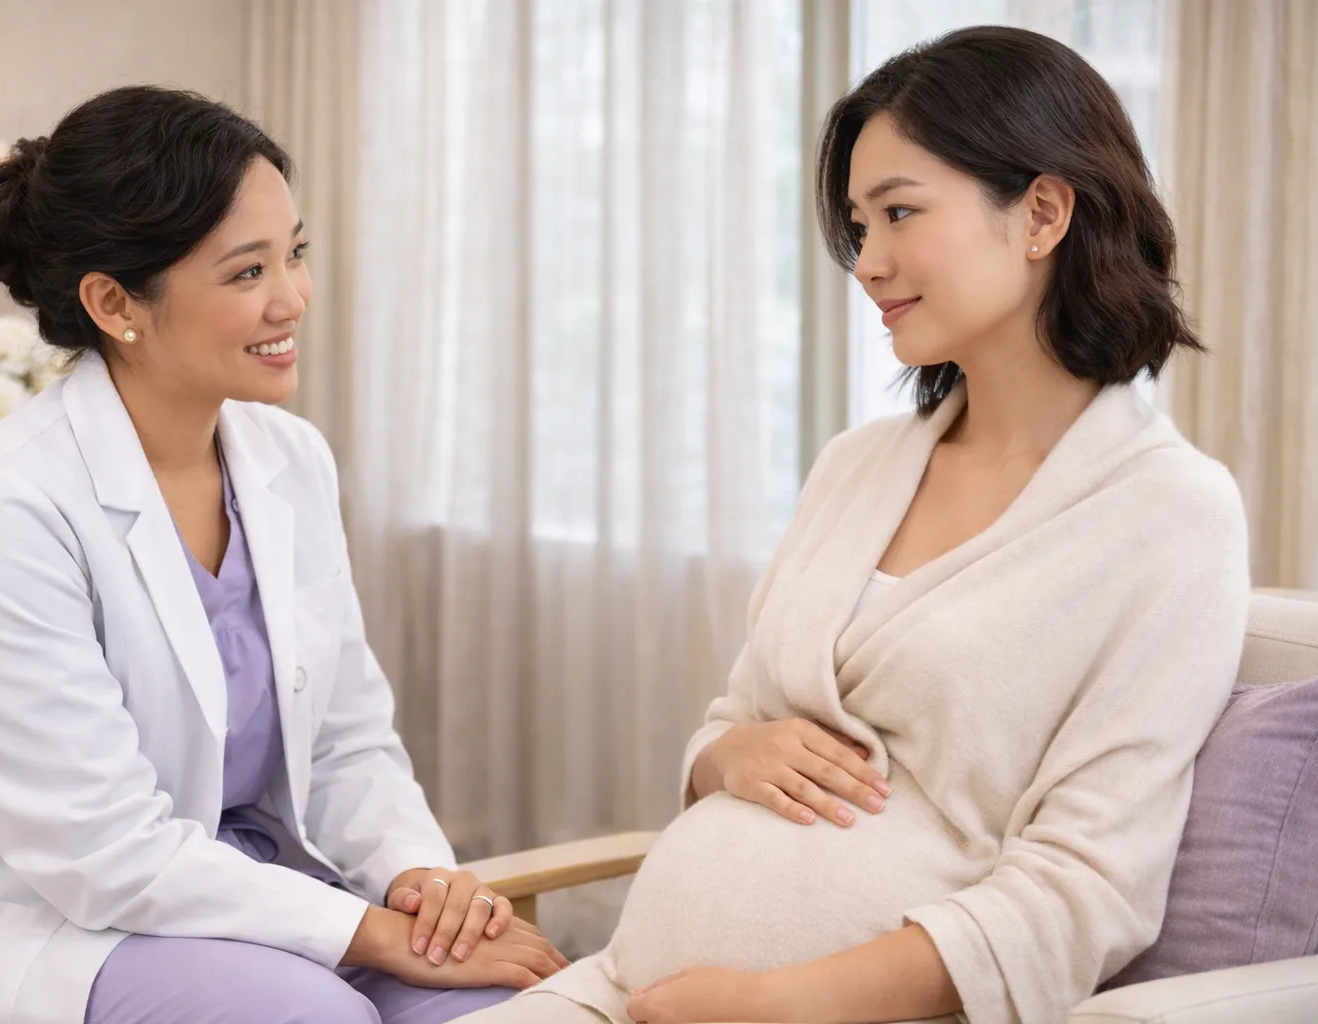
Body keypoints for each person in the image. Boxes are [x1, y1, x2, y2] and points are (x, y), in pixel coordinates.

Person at [456, 26, 1249, 1024]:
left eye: (898, 214)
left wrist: (777, 1002)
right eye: (857, 227)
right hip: (626, 986)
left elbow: (1087, 887)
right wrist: (727, 758)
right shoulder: (856, 467)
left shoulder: (1171, 516)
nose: (867, 263)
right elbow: (731, 720)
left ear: (1044, 211)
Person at [0, 85, 565, 1024]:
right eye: (246, 273)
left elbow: (345, 743)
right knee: (316, 1016)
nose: (291, 297)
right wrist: (370, 935)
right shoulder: (3, 508)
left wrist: (421, 885)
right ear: (115, 302)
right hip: (31, 924)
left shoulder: (289, 460)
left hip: (235, 891)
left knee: (504, 1003)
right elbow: (102, 852)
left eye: (295, 253)